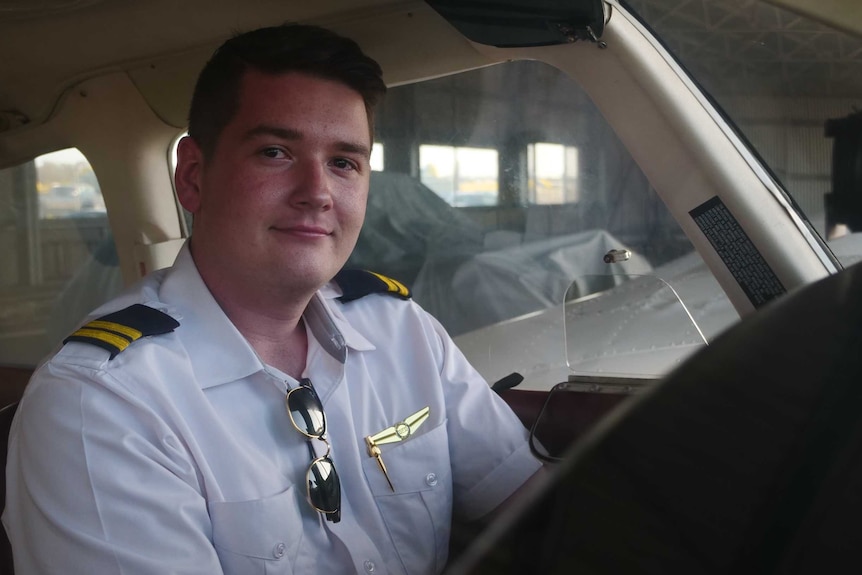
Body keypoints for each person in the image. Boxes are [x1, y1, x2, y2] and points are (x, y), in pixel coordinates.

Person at [2, 24, 544, 575]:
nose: (317, 192)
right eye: (275, 152)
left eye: (343, 162)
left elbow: (536, 510)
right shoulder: (102, 406)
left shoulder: (401, 331)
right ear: (193, 177)